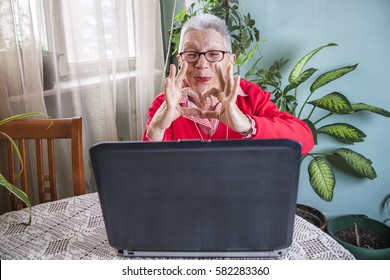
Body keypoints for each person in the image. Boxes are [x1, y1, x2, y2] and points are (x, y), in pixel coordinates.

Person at [142, 13, 314, 155]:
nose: (201, 64)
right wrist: (156, 130)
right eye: (191, 54)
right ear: (180, 60)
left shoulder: (251, 96)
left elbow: (304, 140)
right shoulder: (164, 103)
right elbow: (147, 175)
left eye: (214, 53)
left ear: (230, 61)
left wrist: (247, 125)